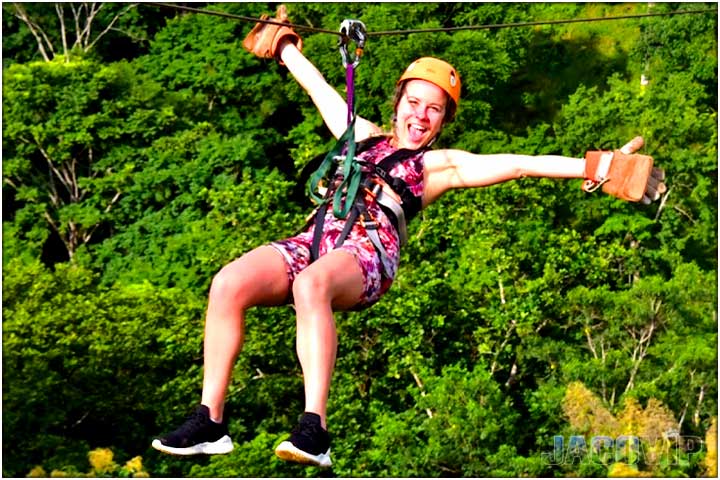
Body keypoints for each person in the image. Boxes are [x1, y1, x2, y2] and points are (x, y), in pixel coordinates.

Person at [151, 6, 666, 468]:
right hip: (312, 242)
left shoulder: (436, 166)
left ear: (442, 123)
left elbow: (516, 165)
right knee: (228, 283)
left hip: (367, 255)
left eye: (433, 110)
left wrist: (591, 166)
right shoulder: (362, 134)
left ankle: (315, 430)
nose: (419, 116)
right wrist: (285, 45)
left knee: (311, 285)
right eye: (414, 103)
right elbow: (319, 89)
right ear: (397, 101)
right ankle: (210, 421)